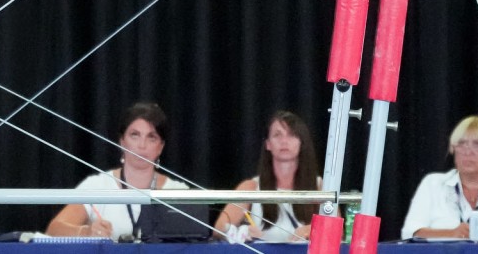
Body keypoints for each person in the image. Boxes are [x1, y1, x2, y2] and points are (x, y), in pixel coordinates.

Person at [46, 101, 190, 239]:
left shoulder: (178, 191)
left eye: (151, 137)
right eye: (135, 135)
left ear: (161, 147)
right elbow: (53, 230)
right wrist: (86, 232)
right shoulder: (97, 185)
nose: (142, 145)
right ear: (122, 141)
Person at [214, 111, 322, 242]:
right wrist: (241, 230)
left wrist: (315, 230)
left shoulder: (319, 186)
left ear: (302, 143)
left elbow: (338, 233)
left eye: (292, 135)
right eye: (277, 135)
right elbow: (219, 228)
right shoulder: (251, 187)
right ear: (268, 144)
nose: (284, 141)